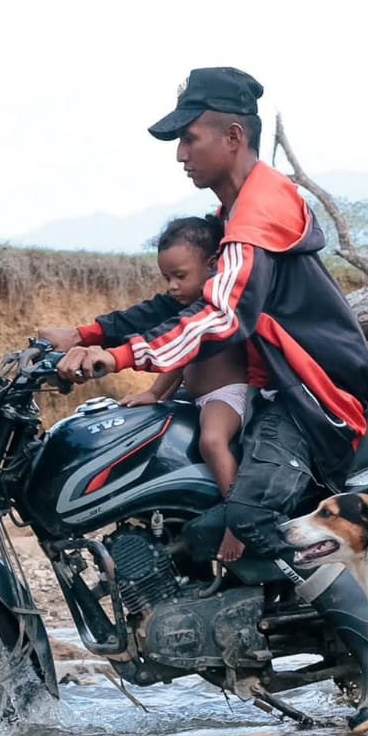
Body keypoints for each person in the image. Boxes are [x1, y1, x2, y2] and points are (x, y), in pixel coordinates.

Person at [38, 66, 368, 732]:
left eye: (189, 138)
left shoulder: (259, 213)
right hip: (273, 388)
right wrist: (86, 331)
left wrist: (115, 357)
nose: (180, 153)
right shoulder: (230, 216)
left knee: (253, 513)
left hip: (311, 396)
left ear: (233, 136)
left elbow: (218, 317)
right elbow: (175, 300)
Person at [120, 214, 249, 562]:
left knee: (212, 441)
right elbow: (178, 363)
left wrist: (156, 391)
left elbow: (181, 354)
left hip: (227, 394)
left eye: (180, 276)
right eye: (167, 278)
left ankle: (238, 523)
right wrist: (154, 394)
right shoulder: (188, 309)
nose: (172, 286)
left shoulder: (215, 311)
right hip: (196, 397)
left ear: (211, 266)